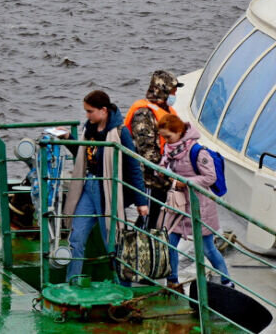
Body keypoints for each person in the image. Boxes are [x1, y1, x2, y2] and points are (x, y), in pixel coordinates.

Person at [63, 90, 149, 282]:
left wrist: (141, 201)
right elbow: (83, 155)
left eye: (90, 111)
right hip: (89, 187)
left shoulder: (119, 133)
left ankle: (122, 284)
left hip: (107, 191)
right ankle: (73, 280)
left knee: (112, 240)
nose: (86, 115)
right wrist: (68, 138)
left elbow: (133, 166)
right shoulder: (89, 129)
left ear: (103, 110)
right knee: (76, 237)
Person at [156, 114, 232, 289]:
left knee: (208, 249)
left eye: (168, 136)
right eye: (163, 137)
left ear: (179, 132)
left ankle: (226, 280)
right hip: (179, 204)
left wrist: (187, 182)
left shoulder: (198, 151)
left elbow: (210, 177)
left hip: (200, 205)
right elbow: (162, 165)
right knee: (170, 243)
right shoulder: (170, 149)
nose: (166, 141)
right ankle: (173, 281)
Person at [124, 70, 182, 230]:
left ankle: (149, 250)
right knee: (147, 220)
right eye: (172, 91)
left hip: (163, 179)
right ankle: (137, 252)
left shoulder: (167, 112)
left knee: (156, 220)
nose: (174, 94)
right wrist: (167, 173)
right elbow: (147, 152)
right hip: (149, 179)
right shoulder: (143, 114)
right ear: (161, 90)